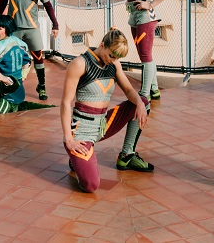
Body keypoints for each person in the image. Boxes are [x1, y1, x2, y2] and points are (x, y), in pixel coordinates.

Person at [61, 29, 153, 192]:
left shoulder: (114, 64)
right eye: (111, 55)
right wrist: (69, 139)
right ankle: (77, 158)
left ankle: (127, 155)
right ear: (102, 45)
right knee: (91, 185)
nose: (114, 60)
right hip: (82, 133)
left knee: (142, 102)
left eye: (117, 57)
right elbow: (66, 103)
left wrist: (139, 103)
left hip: (103, 125)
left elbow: (129, 90)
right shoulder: (80, 64)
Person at [0, 0, 59, 100]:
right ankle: (8, 86)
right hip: (14, 29)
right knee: (9, 58)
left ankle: (41, 87)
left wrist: (55, 24)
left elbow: (48, 6)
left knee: (38, 57)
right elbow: (3, 2)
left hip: (32, 29)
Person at [123, 0, 173, 104]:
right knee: (144, 53)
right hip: (133, 13)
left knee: (145, 54)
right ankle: (154, 89)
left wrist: (150, 4)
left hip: (146, 14)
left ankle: (145, 93)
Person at [0, 15, 32, 103]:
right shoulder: (21, 44)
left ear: (7, 28)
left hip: (2, 91)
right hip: (19, 91)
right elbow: (27, 63)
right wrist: (22, 77)